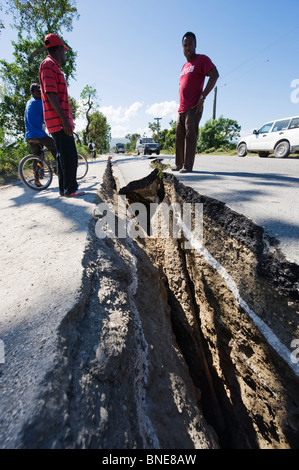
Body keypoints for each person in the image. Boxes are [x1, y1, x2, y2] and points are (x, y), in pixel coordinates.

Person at [39, 33, 85, 197]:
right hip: (58, 121)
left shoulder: (52, 66)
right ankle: (70, 188)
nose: (64, 54)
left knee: (62, 155)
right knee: (69, 155)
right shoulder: (48, 65)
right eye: (63, 50)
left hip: (58, 120)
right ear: (58, 49)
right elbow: (51, 94)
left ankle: (63, 189)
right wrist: (64, 121)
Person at [173, 32, 219, 173]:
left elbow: (215, 75)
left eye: (190, 44)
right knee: (179, 136)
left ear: (195, 45)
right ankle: (179, 164)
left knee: (190, 135)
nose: (187, 48)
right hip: (182, 108)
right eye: (184, 45)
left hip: (194, 106)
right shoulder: (184, 66)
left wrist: (203, 97)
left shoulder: (202, 60)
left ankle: (187, 166)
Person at [24, 83, 57, 187]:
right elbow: (50, 113)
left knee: (36, 157)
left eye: (41, 92)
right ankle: (58, 167)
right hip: (38, 134)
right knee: (56, 147)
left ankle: (37, 179)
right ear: (32, 93)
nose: (40, 94)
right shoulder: (39, 103)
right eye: (38, 92)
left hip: (29, 136)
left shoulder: (29, 102)